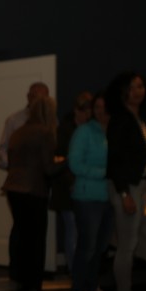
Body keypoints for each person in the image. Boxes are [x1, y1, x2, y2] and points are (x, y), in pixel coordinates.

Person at [104, 72, 146, 291]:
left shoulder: (137, 118)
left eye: (141, 86)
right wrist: (125, 194)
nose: (138, 91)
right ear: (123, 91)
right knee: (126, 245)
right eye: (133, 87)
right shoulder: (121, 119)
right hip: (127, 188)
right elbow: (115, 160)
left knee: (129, 244)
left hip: (139, 186)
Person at [2, 95, 59, 291]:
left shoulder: (18, 132)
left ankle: (23, 283)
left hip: (14, 189)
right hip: (33, 190)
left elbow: (12, 162)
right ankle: (35, 289)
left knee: (23, 238)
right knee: (36, 242)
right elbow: (48, 168)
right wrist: (68, 161)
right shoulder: (45, 133)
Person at [67, 93, 113, 291]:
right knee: (87, 247)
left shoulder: (113, 131)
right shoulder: (84, 131)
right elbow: (75, 164)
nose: (101, 112)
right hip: (87, 197)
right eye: (97, 107)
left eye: (104, 107)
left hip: (107, 196)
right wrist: (105, 172)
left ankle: (92, 286)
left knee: (100, 247)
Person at [50, 92, 93, 275]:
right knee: (72, 229)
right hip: (67, 188)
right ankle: (74, 269)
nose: (87, 115)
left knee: (84, 230)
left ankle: (81, 268)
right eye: (84, 111)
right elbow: (61, 161)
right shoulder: (65, 130)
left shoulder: (92, 129)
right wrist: (72, 182)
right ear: (77, 110)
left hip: (87, 187)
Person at [0, 81, 50, 169]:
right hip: (21, 172)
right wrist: (14, 167)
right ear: (29, 97)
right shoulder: (14, 120)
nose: (40, 102)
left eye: (44, 99)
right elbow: (3, 149)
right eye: (37, 98)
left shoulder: (52, 120)